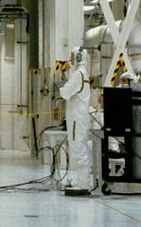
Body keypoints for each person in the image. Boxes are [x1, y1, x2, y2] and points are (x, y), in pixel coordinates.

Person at [60, 47, 93, 194]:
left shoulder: (78, 75)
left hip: (76, 119)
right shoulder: (81, 73)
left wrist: (63, 88)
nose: (70, 59)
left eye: (72, 56)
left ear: (79, 57)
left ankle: (83, 184)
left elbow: (65, 93)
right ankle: (80, 181)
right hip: (79, 117)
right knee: (79, 147)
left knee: (78, 148)